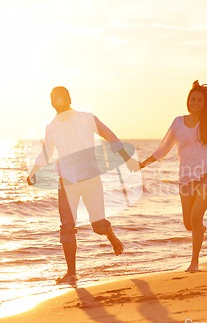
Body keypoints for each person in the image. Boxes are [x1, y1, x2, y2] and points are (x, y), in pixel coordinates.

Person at [27, 86, 139, 284]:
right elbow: (47, 153)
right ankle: (71, 273)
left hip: (90, 179)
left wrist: (127, 159)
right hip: (67, 182)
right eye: (54, 99)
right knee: (67, 227)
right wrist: (33, 171)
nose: (58, 101)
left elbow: (110, 136)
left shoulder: (87, 118)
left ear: (69, 98)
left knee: (97, 226)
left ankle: (109, 233)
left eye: (61, 97)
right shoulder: (51, 128)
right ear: (51, 103)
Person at [139, 80, 207, 272]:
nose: (195, 102)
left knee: (196, 217)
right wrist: (144, 163)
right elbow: (163, 149)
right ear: (187, 101)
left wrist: (205, 88)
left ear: (204, 103)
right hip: (187, 177)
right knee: (189, 224)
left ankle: (194, 263)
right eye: (192, 99)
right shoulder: (178, 122)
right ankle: (200, 231)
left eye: (199, 100)